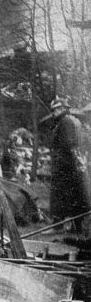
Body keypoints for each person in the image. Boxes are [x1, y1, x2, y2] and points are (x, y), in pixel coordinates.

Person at [48, 98, 90, 233]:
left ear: (61, 109)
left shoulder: (64, 122)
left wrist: (59, 162)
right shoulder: (75, 121)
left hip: (64, 166)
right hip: (75, 165)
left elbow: (67, 144)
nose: (53, 113)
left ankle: (58, 226)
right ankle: (76, 226)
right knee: (75, 196)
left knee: (59, 196)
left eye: (54, 110)